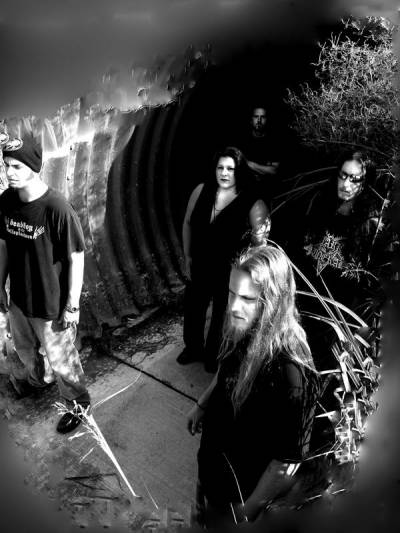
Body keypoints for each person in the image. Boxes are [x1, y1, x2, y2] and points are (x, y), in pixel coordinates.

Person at [186, 246, 320, 527]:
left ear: (274, 302)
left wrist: (245, 514)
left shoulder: (292, 372)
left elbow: (286, 461)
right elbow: (226, 371)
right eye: (231, 293)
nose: (234, 306)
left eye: (247, 298)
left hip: (238, 500)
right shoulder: (243, 327)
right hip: (212, 476)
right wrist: (203, 403)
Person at [0, 133, 90, 434]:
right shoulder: (7, 201)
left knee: (62, 360)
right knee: (26, 350)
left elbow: (77, 257)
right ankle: (39, 380)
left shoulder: (56, 207)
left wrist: (72, 306)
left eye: (16, 166)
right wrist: (0, 284)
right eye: (6, 165)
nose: (9, 172)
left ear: (34, 167)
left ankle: (78, 404)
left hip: (51, 306)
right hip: (20, 300)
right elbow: (3, 245)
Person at [177, 146, 270, 373]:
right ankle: (193, 348)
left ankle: (214, 355)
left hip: (229, 270)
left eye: (231, 168)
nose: (225, 173)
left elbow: (260, 243)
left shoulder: (252, 202)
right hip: (200, 263)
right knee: (194, 307)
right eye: (220, 168)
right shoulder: (201, 190)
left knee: (221, 315)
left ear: (240, 171)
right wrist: (187, 255)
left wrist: (247, 274)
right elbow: (188, 222)